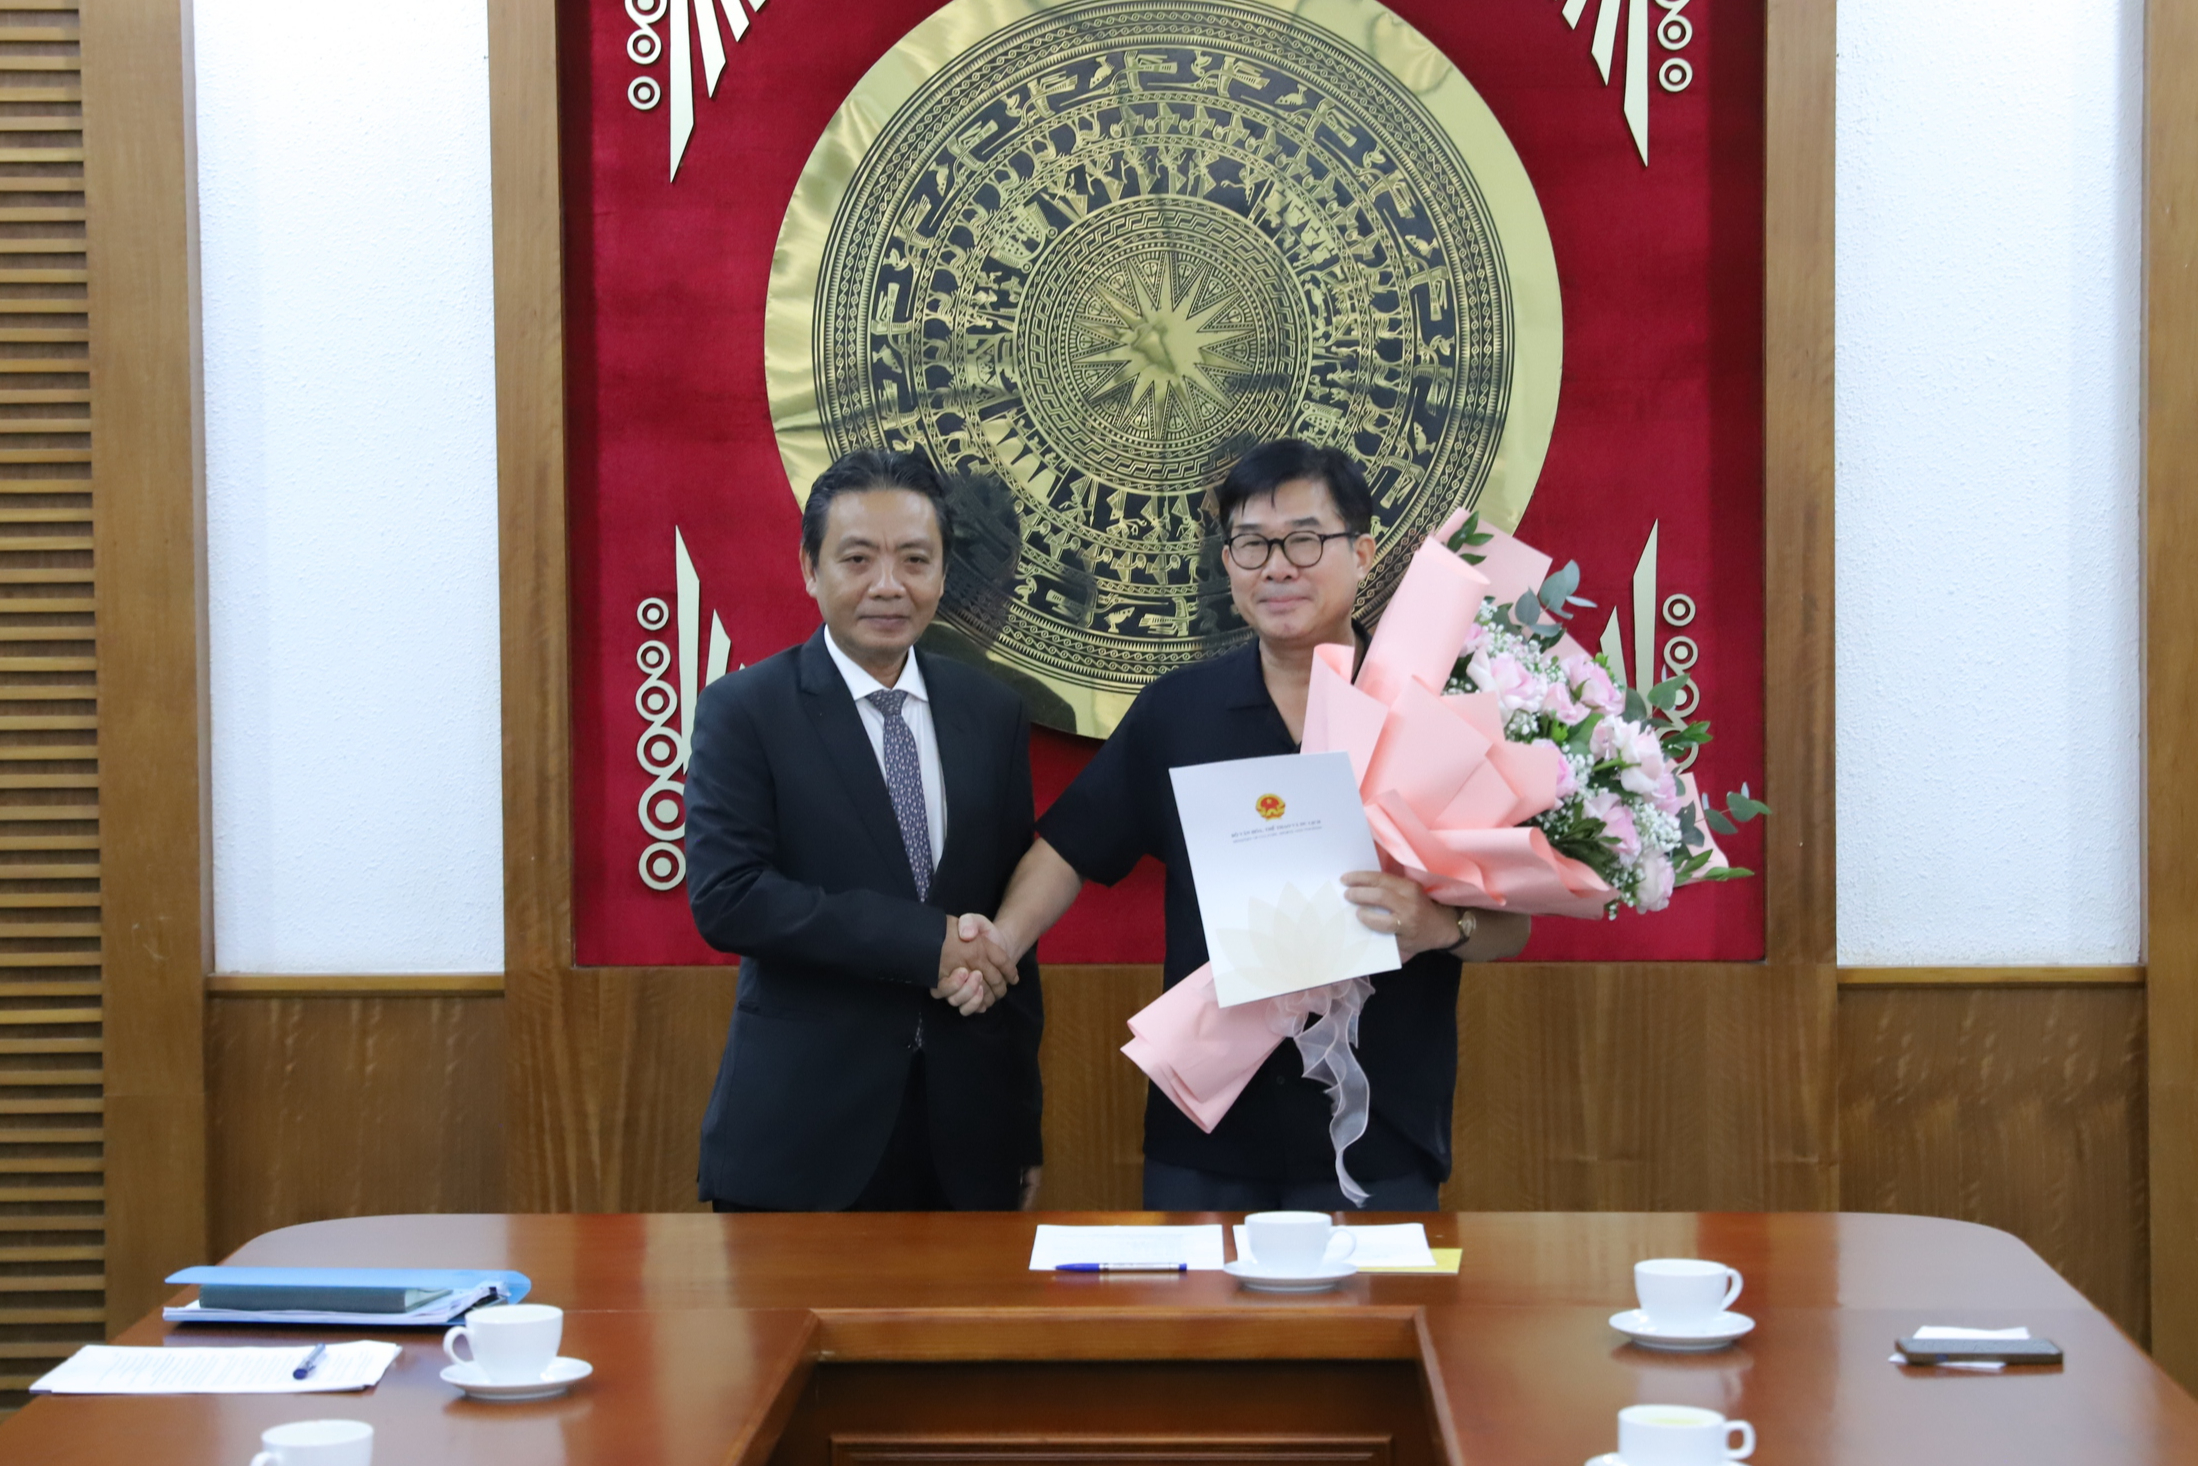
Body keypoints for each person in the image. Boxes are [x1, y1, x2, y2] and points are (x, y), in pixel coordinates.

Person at [961, 439, 1530, 1211]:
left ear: (1362, 552)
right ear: (1227, 565)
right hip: (1208, 1127)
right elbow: (1067, 850)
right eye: (1252, 545)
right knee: (1203, 1336)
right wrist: (993, 951)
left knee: (1376, 1332)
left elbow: (1513, 924)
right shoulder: (1179, 710)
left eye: (1304, 539)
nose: (1278, 566)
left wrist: (1439, 924)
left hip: (1382, 1127)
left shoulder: (1434, 710)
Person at [685, 448, 1039, 1212]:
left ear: (943, 577)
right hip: (803, 1141)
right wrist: (927, 942)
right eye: (858, 559)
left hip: (967, 1144)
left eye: (916, 559)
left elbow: (1010, 930)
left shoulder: (992, 713)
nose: (889, 585)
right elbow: (729, 897)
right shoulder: (744, 711)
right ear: (811, 569)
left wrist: (1023, 1131)